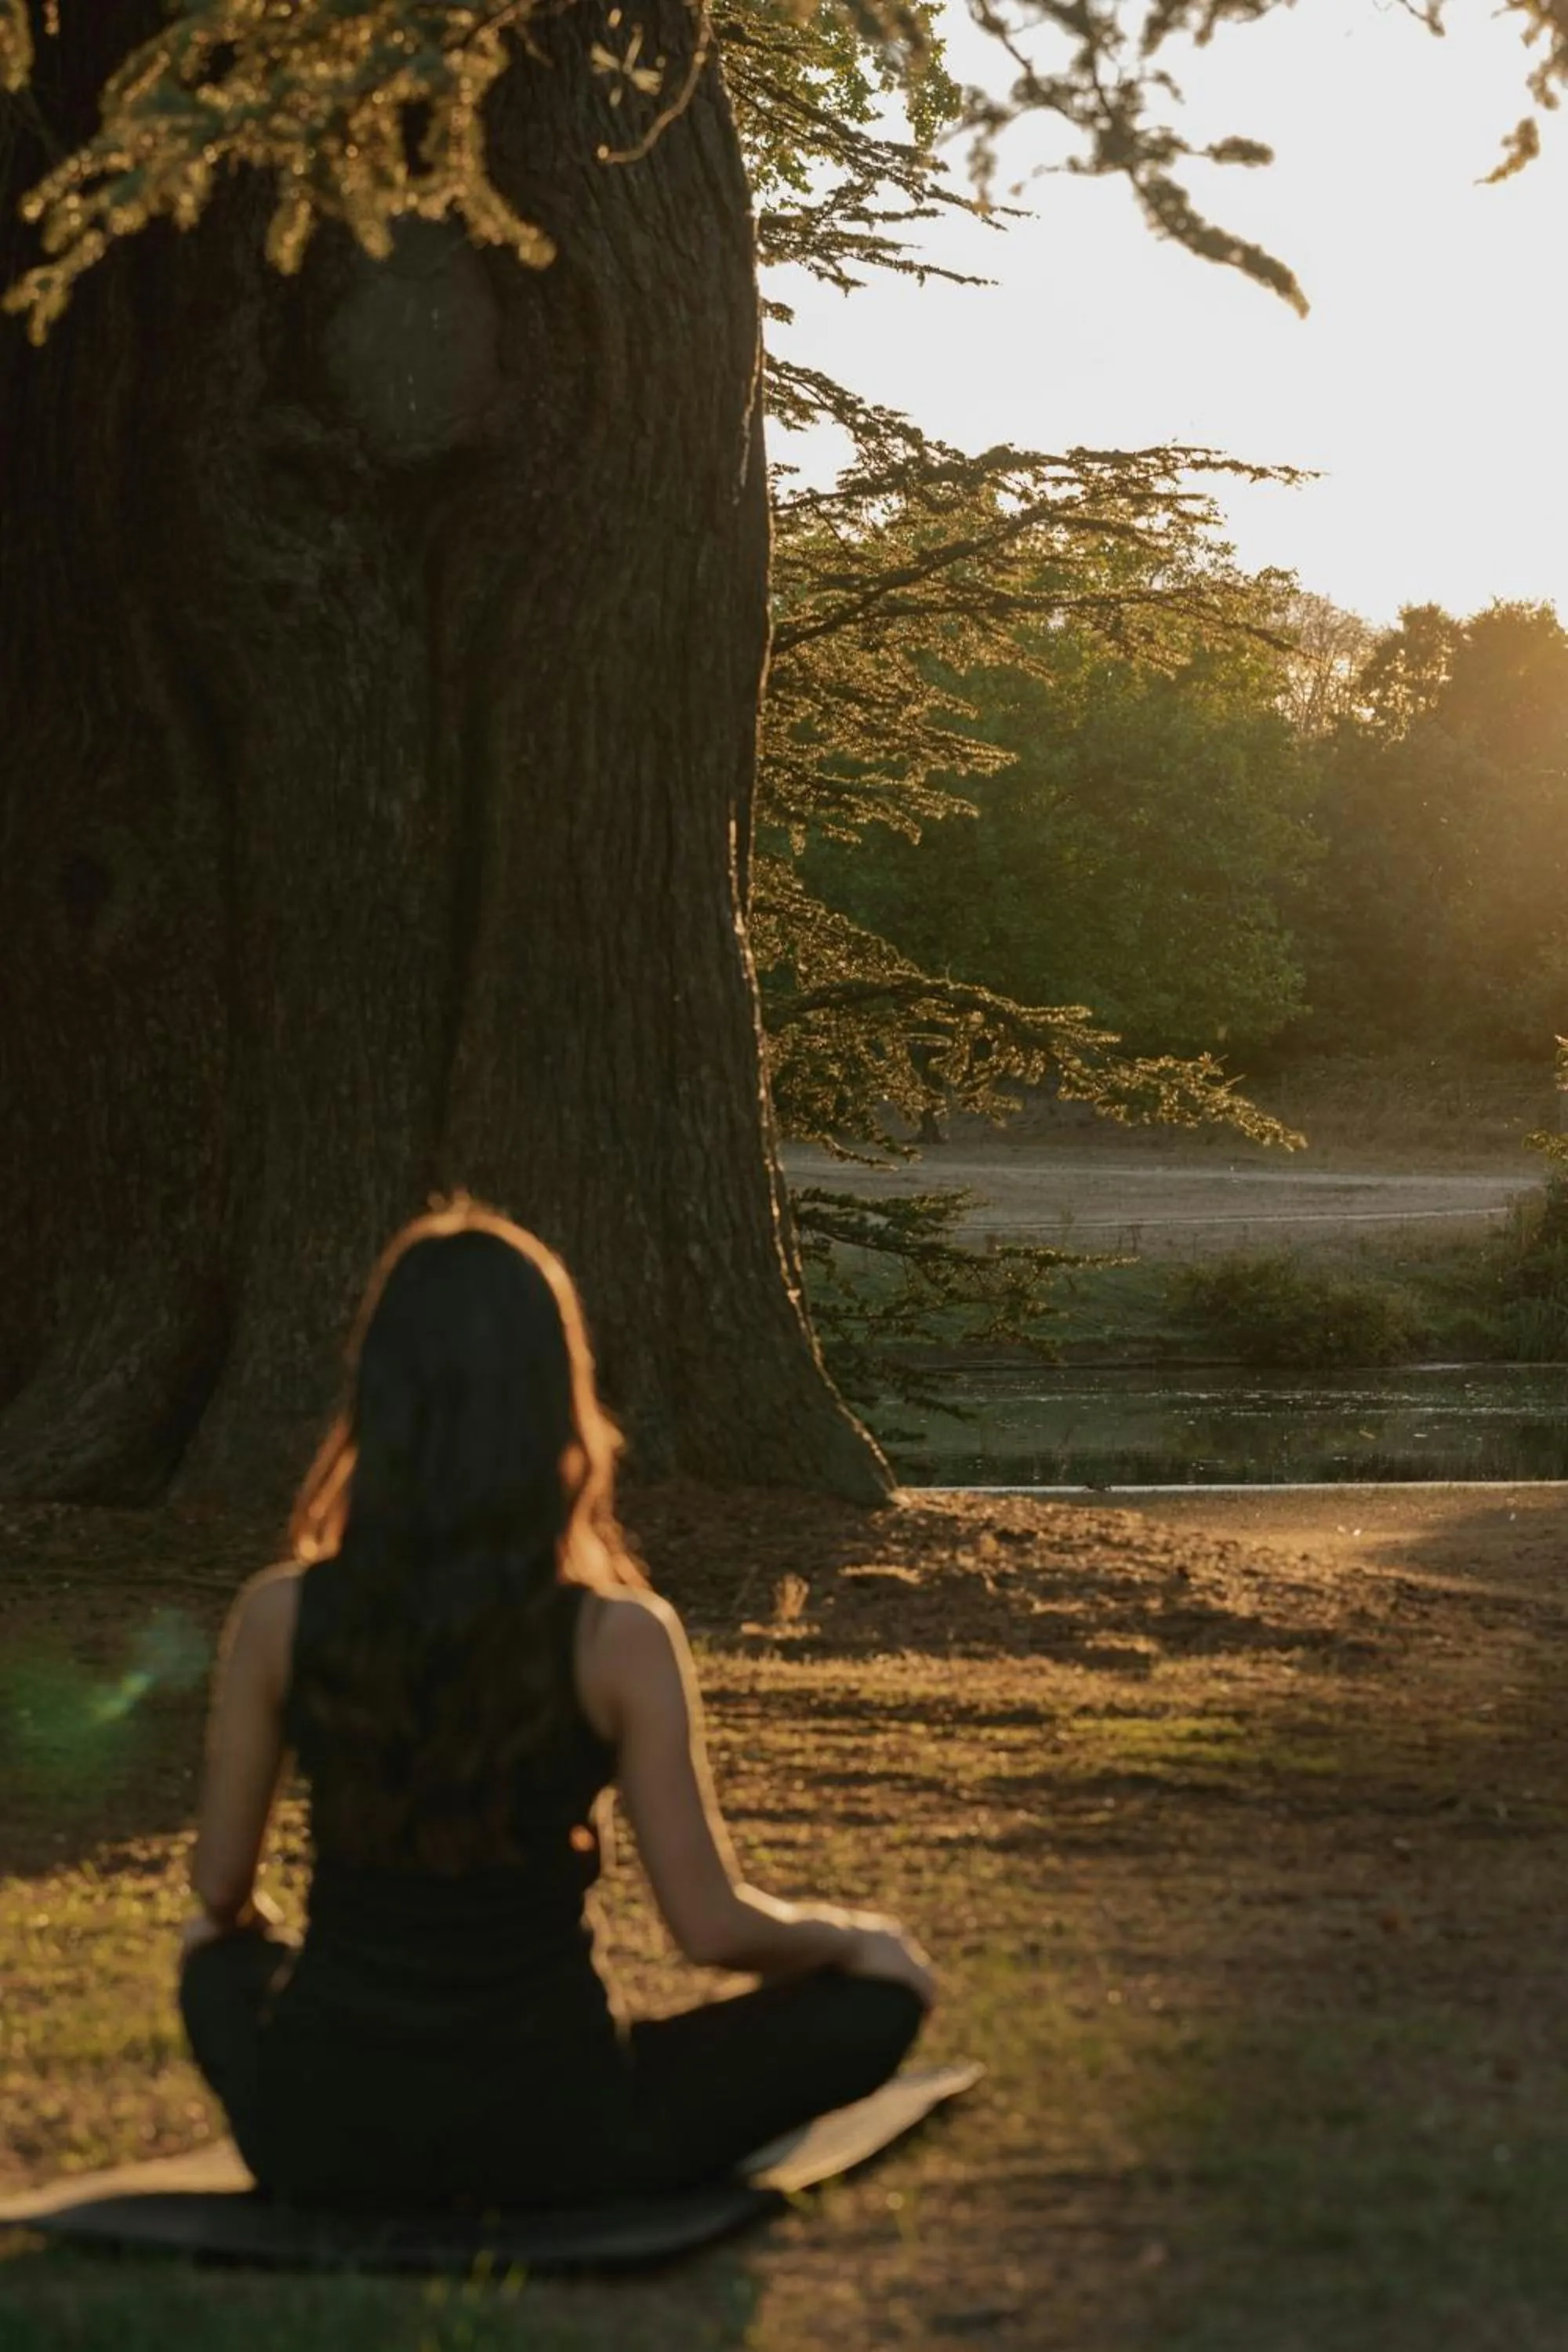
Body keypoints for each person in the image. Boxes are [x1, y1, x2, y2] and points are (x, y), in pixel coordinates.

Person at [178, 1199, 933, 2212]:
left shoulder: (281, 1614)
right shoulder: (619, 1638)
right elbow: (711, 1927)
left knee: (211, 1961)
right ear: (554, 1403)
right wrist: (853, 1938)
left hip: (318, 2131)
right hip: (556, 2136)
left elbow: (219, 1890)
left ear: (380, 1397)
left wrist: (268, 1942)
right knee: (881, 2000)